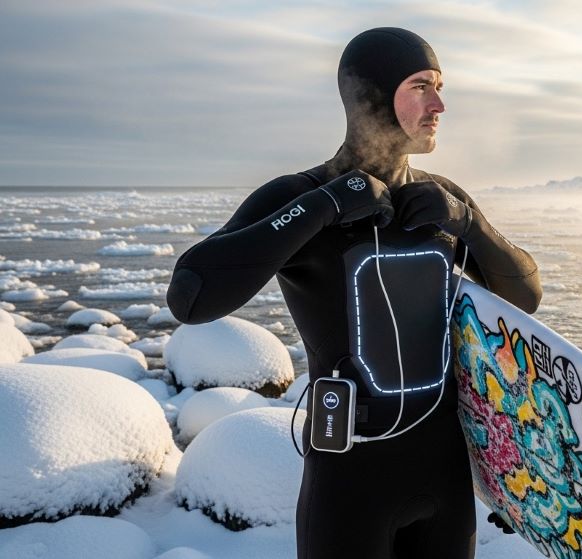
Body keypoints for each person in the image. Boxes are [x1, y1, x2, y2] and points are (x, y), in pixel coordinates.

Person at [166, 27, 541, 559]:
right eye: (420, 86)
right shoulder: (298, 196)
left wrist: (470, 224)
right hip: (349, 481)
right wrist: (322, 208)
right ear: (370, 97)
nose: (439, 104)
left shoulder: (442, 199)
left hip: (445, 476)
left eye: (439, 85)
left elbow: (526, 295)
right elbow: (192, 296)